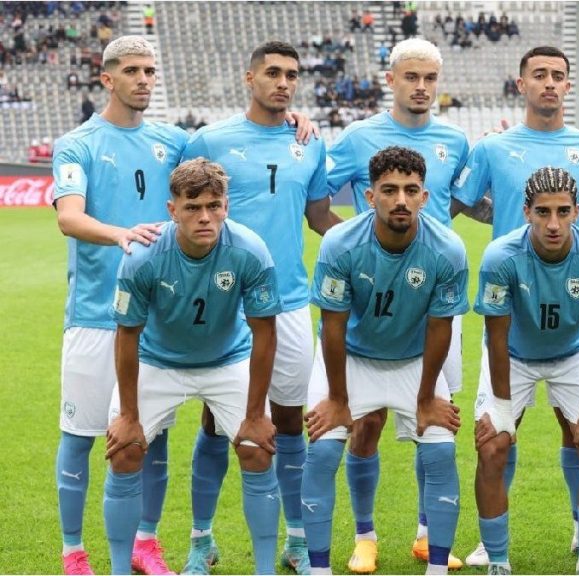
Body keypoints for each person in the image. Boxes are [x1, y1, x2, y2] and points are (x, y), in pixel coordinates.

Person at [451, 45, 579, 566]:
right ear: (521, 83)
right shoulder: (493, 146)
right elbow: (458, 203)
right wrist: (504, 220)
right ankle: (491, 545)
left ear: (569, 85)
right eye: (539, 75)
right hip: (514, 307)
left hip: (573, 312)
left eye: (558, 75)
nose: (549, 83)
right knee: (497, 435)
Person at [179, 40, 339, 576]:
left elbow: (319, 216)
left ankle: (297, 540)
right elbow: (183, 211)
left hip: (288, 302)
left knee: (289, 422)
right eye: (272, 72)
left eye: (291, 74)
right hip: (224, 302)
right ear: (250, 78)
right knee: (215, 421)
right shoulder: (211, 140)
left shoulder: (308, 143)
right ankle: (201, 540)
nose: (283, 82)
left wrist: (367, 244)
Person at [324, 38, 481, 573]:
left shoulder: (454, 139)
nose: (421, 87)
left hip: (433, 301)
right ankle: (364, 536)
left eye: (430, 78)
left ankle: (424, 533)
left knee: (431, 422)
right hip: (371, 300)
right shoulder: (357, 136)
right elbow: (315, 199)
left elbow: (464, 204)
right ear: (390, 80)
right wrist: (359, 256)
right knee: (365, 424)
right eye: (411, 77)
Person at [105, 158, 283, 575]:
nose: (205, 217)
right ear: (173, 210)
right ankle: (118, 568)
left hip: (226, 360)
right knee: (124, 451)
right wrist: (129, 415)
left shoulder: (250, 250)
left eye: (214, 206)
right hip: (158, 361)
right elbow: (127, 336)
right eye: (192, 207)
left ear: (226, 206)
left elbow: (265, 334)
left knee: (257, 450)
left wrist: (255, 415)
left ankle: (265, 569)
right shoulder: (143, 256)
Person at [52, 35, 187, 576]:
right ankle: (73, 552)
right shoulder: (78, 144)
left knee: (153, 437)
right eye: (132, 71)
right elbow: (69, 217)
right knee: (80, 437)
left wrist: (294, 120)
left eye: (150, 70)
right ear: (107, 79)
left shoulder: (173, 141)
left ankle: (144, 544)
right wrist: (120, 234)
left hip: (156, 318)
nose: (144, 80)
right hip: (95, 316)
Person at [302, 146, 468, 576]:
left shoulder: (447, 249)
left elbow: (440, 328)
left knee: (440, 449)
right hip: (352, 356)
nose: (401, 200)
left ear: (424, 197)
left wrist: (427, 397)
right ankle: (351, 548)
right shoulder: (341, 243)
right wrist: (338, 399)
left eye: (411, 190)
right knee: (323, 451)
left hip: (415, 359)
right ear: (370, 196)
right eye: (389, 190)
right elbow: (333, 325)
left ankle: (434, 565)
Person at [473, 167, 579, 575]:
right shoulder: (501, 257)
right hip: (513, 355)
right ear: (526, 212)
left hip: (574, 353)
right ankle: (497, 559)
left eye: (562, 211)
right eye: (543, 212)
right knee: (492, 445)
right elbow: (497, 337)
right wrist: (501, 408)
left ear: (577, 211)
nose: (553, 224)